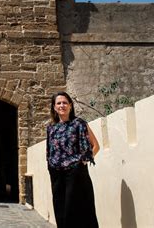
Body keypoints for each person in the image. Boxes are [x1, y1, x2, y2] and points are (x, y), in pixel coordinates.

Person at [46, 91, 100, 228]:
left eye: (65, 102)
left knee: (76, 211)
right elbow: (50, 151)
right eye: (58, 103)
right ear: (54, 107)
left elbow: (95, 146)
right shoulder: (51, 128)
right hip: (56, 174)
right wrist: (50, 165)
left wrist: (82, 163)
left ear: (70, 105)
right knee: (61, 211)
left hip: (75, 174)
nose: (62, 105)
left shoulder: (79, 124)